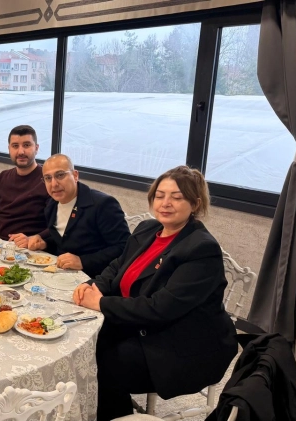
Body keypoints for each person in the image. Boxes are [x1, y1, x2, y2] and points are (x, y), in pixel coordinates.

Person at [73, 166, 238, 421]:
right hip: (142, 325)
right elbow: (118, 266)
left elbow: (160, 308)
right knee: (82, 343)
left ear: (195, 204)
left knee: (104, 363)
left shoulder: (201, 249)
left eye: (176, 197)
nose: (165, 203)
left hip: (183, 344)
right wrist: (95, 286)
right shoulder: (148, 229)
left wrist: (102, 304)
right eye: (160, 195)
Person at [26, 154, 129, 276]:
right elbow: (66, 241)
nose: (54, 184)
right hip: (62, 273)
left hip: (96, 277)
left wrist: (83, 261)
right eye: (48, 178)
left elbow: (124, 247)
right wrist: (45, 243)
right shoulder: (51, 205)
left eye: (60, 175)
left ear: (75, 175)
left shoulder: (103, 204)